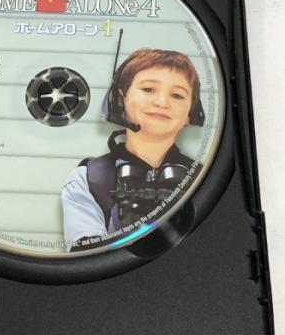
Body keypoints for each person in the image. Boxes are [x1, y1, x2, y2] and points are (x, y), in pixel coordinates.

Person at [61, 48, 204, 252]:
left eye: (177, 95)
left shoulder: (204, 177)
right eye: (148, 89)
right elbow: (88, 256)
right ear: (120, 99)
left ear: (192, 112)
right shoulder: (87, 179)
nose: (162, 102)